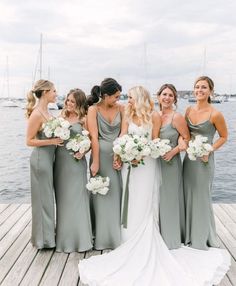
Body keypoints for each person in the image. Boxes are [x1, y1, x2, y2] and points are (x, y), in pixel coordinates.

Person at [78, 86, 230, 286]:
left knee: (145, 199)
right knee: (130, 199)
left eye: (131, 98)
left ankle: (148, 235)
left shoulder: (154, 117)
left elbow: (155, 141)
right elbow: (122, 136)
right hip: (130, 165)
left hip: (147, 164)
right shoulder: (127, 114)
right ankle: (129, 237)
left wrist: (142, 153)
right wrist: (120, 154)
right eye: (128, 98)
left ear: (139, 98)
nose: (128, 100)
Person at [183, 76, 228, 250]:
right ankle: (187, 233)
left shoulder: (215, 114)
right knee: (187, 194)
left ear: (210, 91)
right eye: (197, 87)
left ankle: (201, 236)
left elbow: (224, 137)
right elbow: (185, 135)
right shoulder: (188, 110)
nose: (199, 90)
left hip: (204, 161)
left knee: (201, 196)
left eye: (203, 87)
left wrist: (209, 150)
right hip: (189, 160)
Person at [54, 88, 93, 253]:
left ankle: (81, 238)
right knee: (63, 199)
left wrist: (83, 151)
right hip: (60, 162)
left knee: (78, 198)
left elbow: (91, 141)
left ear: (79, 103)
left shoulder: (84, 119)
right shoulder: (60, 117)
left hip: (76, 163)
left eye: (73, 101)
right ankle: (64, 238)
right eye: (68, 100)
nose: (69, 103)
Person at [87, 78, 124, 250]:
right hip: (100, 155)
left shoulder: (122, 109)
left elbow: (123, 133)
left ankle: (115, 234)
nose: (118, 99)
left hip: (117, 156)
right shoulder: (93, 110)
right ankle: (100, 235)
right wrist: (95, 161)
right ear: (106, 95)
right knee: (100, 194)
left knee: (116, 193)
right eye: (115, 96)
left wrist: (119, 155)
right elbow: (93, 136)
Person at [26, 79, 63, 249]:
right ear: (46, 92)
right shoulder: (36, 114)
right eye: (54, 91)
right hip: (41, 160)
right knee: (42, 200)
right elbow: (29, 141)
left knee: (48, 199)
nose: (56, 94)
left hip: (50, 159)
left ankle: (48, 236)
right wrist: (52, 141)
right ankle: (43, 240)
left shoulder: (47, 111)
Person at [157, 84, 190, 249]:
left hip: (171, 164)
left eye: (170, 95)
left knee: (169, 199)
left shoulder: (176, 117)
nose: (167, 98)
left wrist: (174, 151)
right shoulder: (155, 116)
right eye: (164, 94)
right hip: (156, 163)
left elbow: (186, 138)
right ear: (158, 97)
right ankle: (158, 235)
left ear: (175, 99)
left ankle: (171, 238)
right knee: (157, 199)